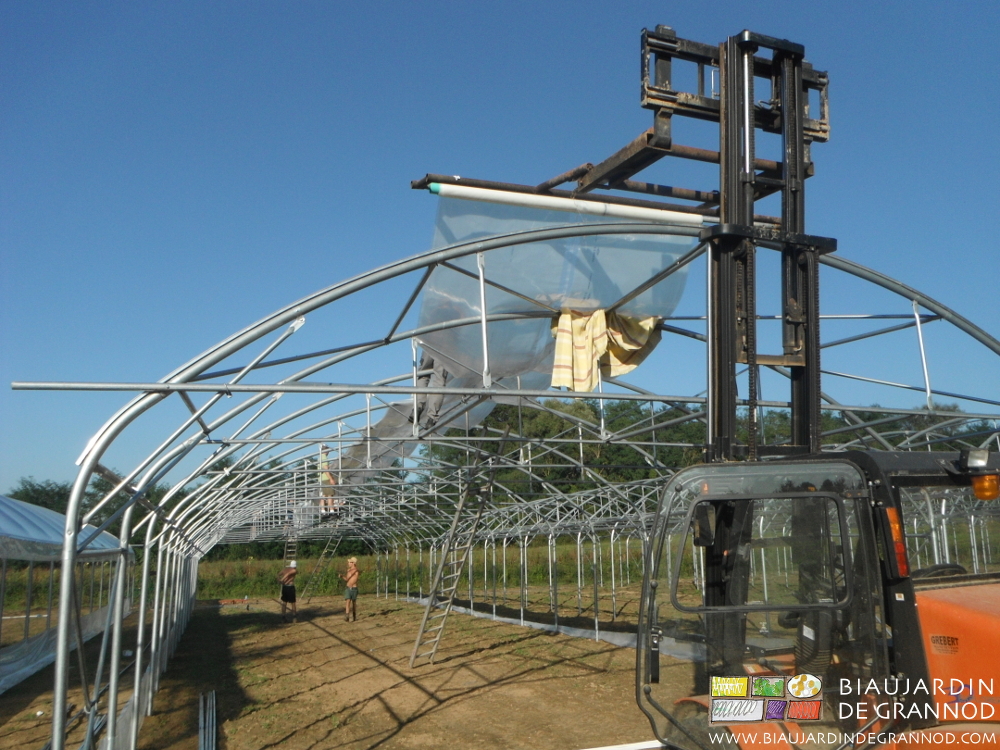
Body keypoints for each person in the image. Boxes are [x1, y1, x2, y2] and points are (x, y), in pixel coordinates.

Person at [338, 557, 360, 622]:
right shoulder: (349, 571)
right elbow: (347, 579)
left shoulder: (356, 571)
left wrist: (351, 571)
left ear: (353, 563)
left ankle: (354, 615)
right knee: (348, 601)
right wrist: (342, 576)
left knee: (354, 603)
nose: (348, 563)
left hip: (354, 588)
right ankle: (347, 615)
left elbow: (356, 576)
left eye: (350, 562)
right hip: (348, 588)